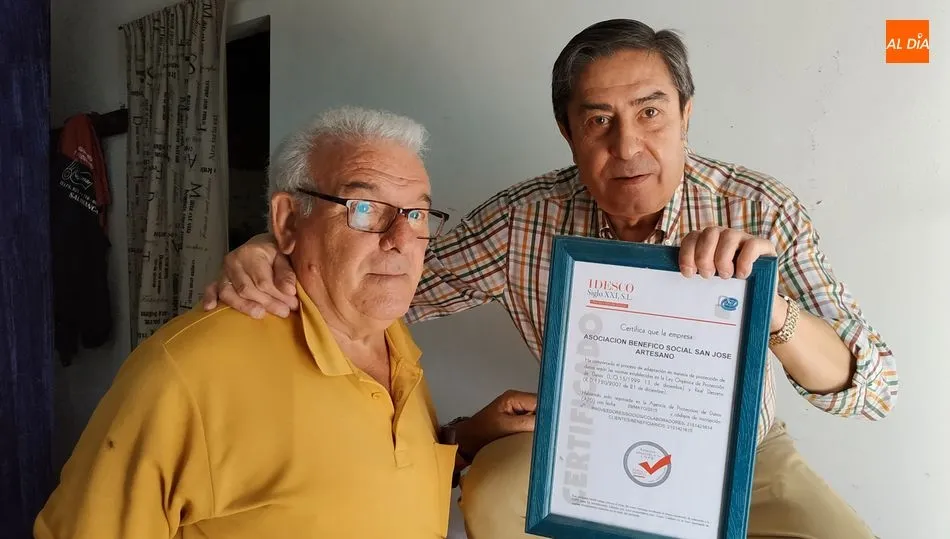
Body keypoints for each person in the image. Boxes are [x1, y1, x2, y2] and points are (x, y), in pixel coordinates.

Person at [201, 20, 897, 539]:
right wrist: (276, 245)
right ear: (568, 131)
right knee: (494, 492)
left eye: (651, 112)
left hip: (740, 452)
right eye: (598, 121)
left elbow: (872, 389)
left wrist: (772, 311)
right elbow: (385, 280)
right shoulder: (523, 219)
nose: (627, 146)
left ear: (686, 114)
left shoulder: (757, 207)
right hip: (584, 443)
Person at [34, 106, 536, 539]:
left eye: (417, 215)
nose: (401, 240)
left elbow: (359, 484)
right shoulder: (191, 370)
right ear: (288, 221)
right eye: (365, 208)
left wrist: (463, 439)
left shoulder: (394, 343)